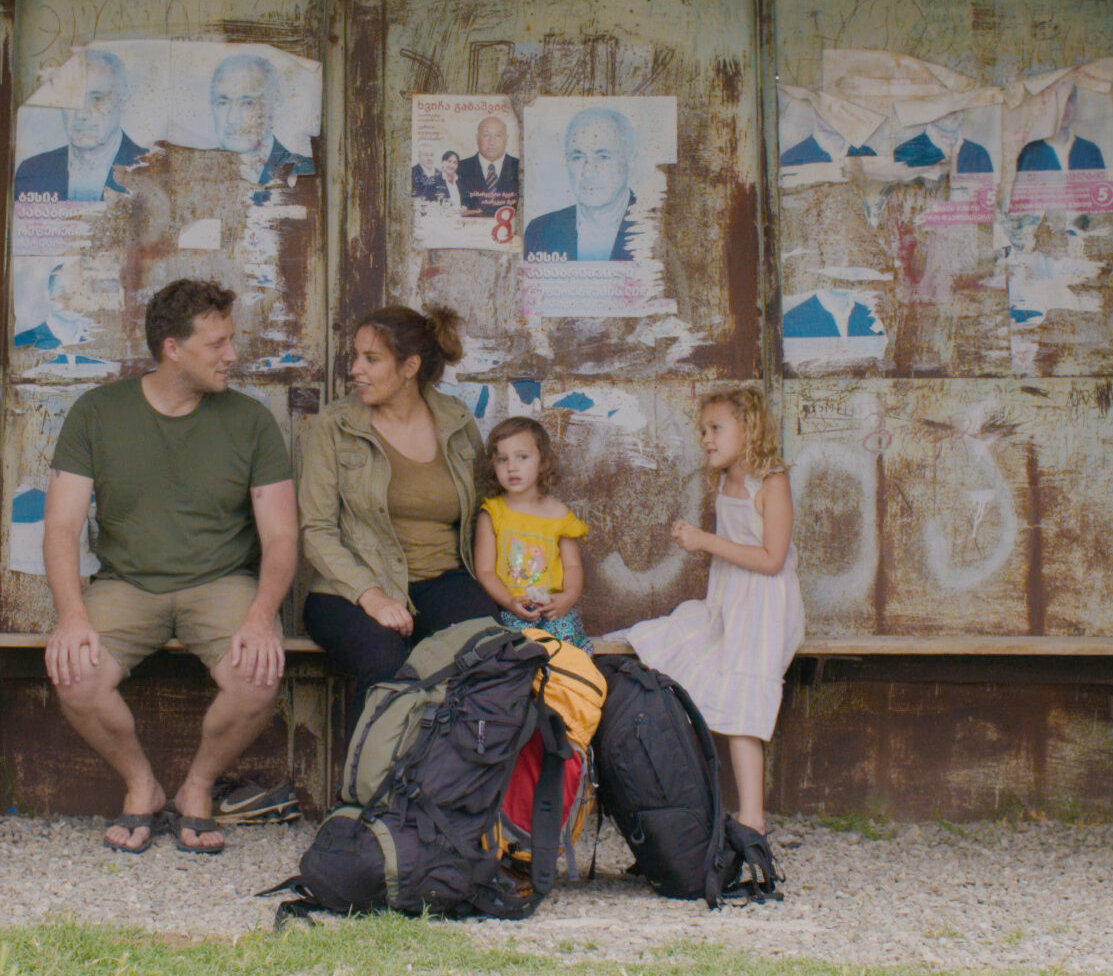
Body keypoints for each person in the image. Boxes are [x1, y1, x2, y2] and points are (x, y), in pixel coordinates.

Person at [41, 278, 295, 856]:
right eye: (217, 344)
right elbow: (60, 527)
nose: (232, 355)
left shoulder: (250, 421)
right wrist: (72, 616)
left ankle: (197, 789)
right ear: (172, 349)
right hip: (128, 585)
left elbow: (281, 537)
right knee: (75, 677)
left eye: (231, 340)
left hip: (223, 583)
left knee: (257, 677)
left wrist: (261, 616)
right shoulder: (98, 413)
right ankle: (142, 786)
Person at [610, 386, 804, 835]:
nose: (707, 439)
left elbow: (772, 559)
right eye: (703, 430)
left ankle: (752, 818)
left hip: (765, 604)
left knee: (743, 696)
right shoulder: (726, 479)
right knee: (684, 649)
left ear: (749, 428)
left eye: (716, 428)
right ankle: (698, 801)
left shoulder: (771, 482)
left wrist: (705, 541)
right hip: (731, 598)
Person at [296, 304, 494, 687]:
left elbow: (488, 511)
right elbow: (316, 530)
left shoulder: (456, 420)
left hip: (442, 580)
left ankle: (455, 749)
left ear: (410, 367)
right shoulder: (336, 426)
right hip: (350, 589)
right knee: (387, 665)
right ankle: (372, 749)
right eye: (356, 356)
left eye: (371, 359)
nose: (355, 369)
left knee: (488, 658)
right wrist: (371, 597)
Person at [471, 417, 590, 652]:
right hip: (512, 610)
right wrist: (509, 602)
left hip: (553, 608)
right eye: (502, 459)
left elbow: (573, 567)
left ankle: (567, 683)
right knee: (519, 648)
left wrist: (568, 597)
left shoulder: (559, 514)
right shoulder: (492, 513)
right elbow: (484, 571)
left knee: (566, 642)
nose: (511, 467)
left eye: (522, 457)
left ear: (543, 462)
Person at [14, 49, 149, 201]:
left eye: (96, 99)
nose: (81, 114)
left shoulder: (153, 172)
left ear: (123, 101)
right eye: (71, 99)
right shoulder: (32, 172)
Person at [522, 107, 642, 261]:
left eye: (603, 157)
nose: (588, 171)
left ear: (631, 160)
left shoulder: (660, 227)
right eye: (577, 157)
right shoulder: (539, 231)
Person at [210, 52, 314, 190]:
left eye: (248, 103)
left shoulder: (303, 171)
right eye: (223, 103)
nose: (232, 119)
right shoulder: (198, 172)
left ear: (275, 104)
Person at [457, 115, 519, 217]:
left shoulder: (520, 168)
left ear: (506, 139)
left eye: (498, 135)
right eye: (486, 135)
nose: (492, 142)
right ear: (477, 138)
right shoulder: (459, 168)